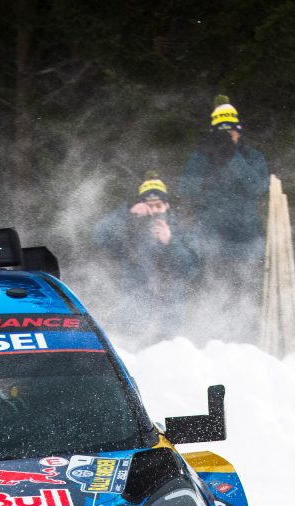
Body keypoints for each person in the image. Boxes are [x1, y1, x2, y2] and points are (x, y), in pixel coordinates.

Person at [92, 174, 201, 339]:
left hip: (169, 319)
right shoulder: (129, 225)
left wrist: (170, 242)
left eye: (159, 206)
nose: (154, 211)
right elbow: (100, 236)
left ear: (167, 205)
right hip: (132, 315)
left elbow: (190, 269)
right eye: (149, 206)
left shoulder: (180, 228)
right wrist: (127, 214)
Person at [179, 97, 270, 285]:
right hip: (212, 241)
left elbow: (257, 187)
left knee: (245, 290)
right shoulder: (202, 157)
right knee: (214, 291)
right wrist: (203, 157)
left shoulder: (252, 157)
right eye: (222, 134)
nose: (228, 137)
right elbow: (187, 190)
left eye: (231, 132)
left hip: (246, 239)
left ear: (238, 132)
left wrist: (233, 157)